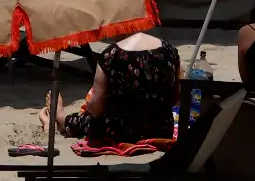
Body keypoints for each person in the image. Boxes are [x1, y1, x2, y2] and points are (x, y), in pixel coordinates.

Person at [36, 31, 181, 147]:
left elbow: (96, 108)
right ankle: (60, 122)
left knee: (90, 118)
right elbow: (177, 98)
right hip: (161, 129)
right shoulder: (170, 51)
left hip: (119, 132)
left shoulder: (111, 54)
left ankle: (61, 118)